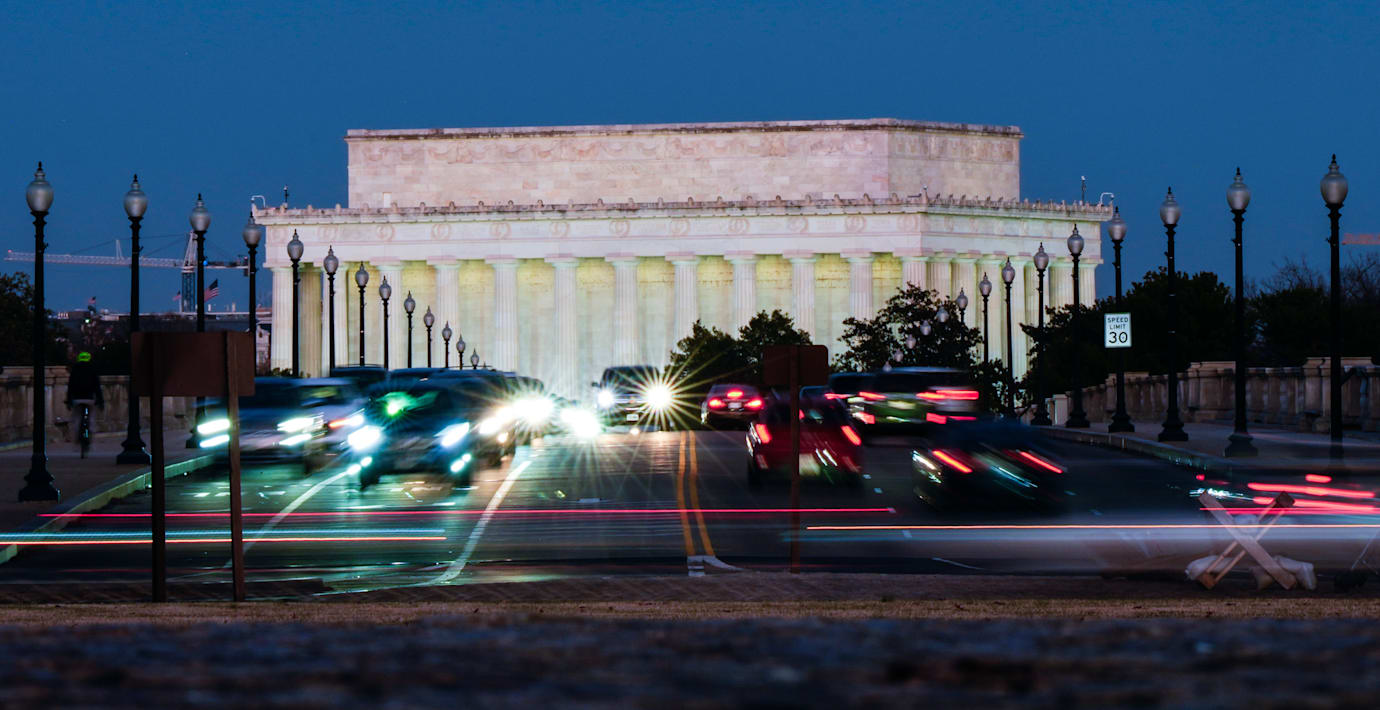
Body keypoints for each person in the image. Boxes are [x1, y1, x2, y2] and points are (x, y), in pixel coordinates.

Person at [66, 352, 104, 443]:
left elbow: (70, 386)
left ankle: (76, 439)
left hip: (77, 399)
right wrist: (101, 401)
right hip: (89, 398)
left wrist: (68, 400)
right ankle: (90, 433)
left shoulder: (75, 370)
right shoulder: (93, 370)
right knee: (91, 417)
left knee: (77, 418)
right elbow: (97, 387)